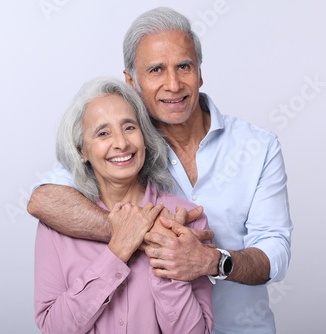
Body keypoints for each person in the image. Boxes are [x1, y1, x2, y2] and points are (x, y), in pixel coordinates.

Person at [29, 7, 293, 334]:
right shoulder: (122, 151)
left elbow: (275, 250)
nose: (173, 83)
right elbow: (43, 200)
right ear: (131, 81)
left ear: (199, 72)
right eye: (156, 69)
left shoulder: (258, 146)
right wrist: (137, 235)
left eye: (184, 66)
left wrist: (211, 261)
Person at [34, 77, 214, 333]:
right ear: (82, 151)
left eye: (129, 127)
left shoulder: (185, 219)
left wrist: (167, 260)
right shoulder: (56, 225)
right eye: (103, 133)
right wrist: (116, 252)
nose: (121, 143)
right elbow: (55, 328)